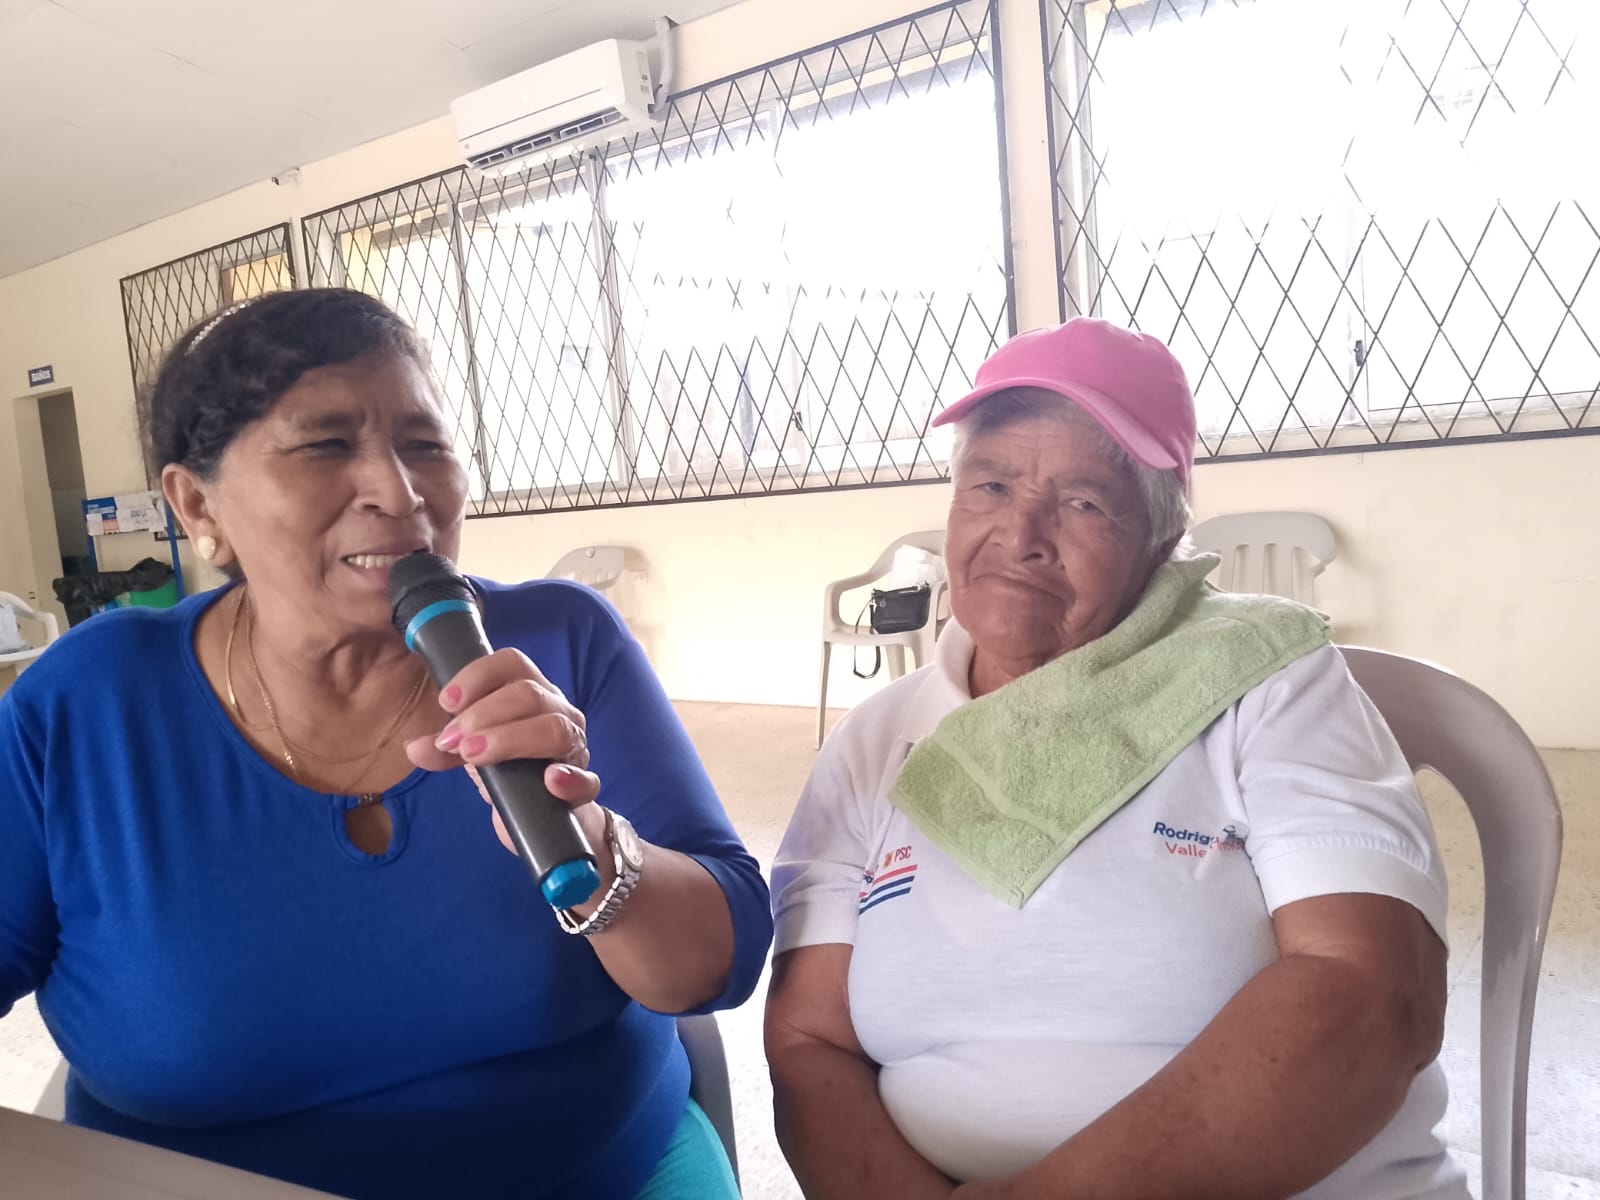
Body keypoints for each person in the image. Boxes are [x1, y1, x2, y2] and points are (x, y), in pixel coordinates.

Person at [0, 288, 771, 1200]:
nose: (399, 492)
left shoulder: (561, 640)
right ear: (197, 503)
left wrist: (599, 851)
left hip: (604, 1172)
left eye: (425, 444)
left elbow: (716, 965)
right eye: (326, 445)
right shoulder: (86, 704)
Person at [765, 317, 1465, 1200]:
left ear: (1161, 539)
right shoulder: (878, 739)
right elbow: (808, 1041)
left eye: (1084, 502)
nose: (1021, 533)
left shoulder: (1266, 679)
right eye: (991, 484)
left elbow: (1371, 995)